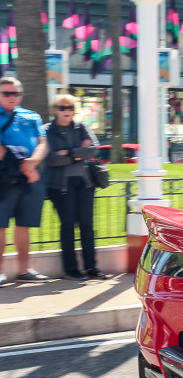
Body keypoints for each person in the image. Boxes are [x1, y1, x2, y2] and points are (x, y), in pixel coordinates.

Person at [44, 94, 105, 280]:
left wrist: (69, 152)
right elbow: (51, 158)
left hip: (85, 184)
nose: (67, 111)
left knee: (87, 226)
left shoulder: (81, 127)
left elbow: (93, 150)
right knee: (68, 225)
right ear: (55, 110)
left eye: (70, 108)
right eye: (62, 108)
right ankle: (71, 269)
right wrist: (79, 153)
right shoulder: (47, 131)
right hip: (61, 186)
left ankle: (91, 268)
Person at [0, 76, 51, 284]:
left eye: (15, 93)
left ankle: (24, 270)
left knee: (24, 225)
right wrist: (24, 165)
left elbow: (43, 143)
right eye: (6, 93)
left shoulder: (32, 116)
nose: (12, 97)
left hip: (30, 178)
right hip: (4, 178)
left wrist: (33, 162)